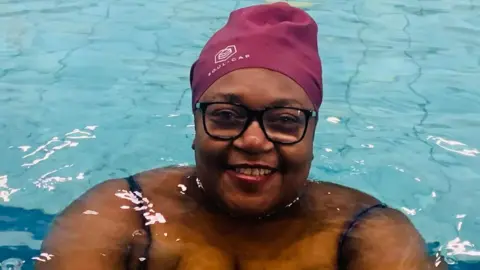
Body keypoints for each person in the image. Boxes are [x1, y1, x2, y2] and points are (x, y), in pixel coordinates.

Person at [36, 2, 446, 270]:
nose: (253, 141)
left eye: (284, 120)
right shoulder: (123, 215)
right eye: (227, 116)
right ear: (196, 125)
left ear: (313, 132)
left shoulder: (365, 233)